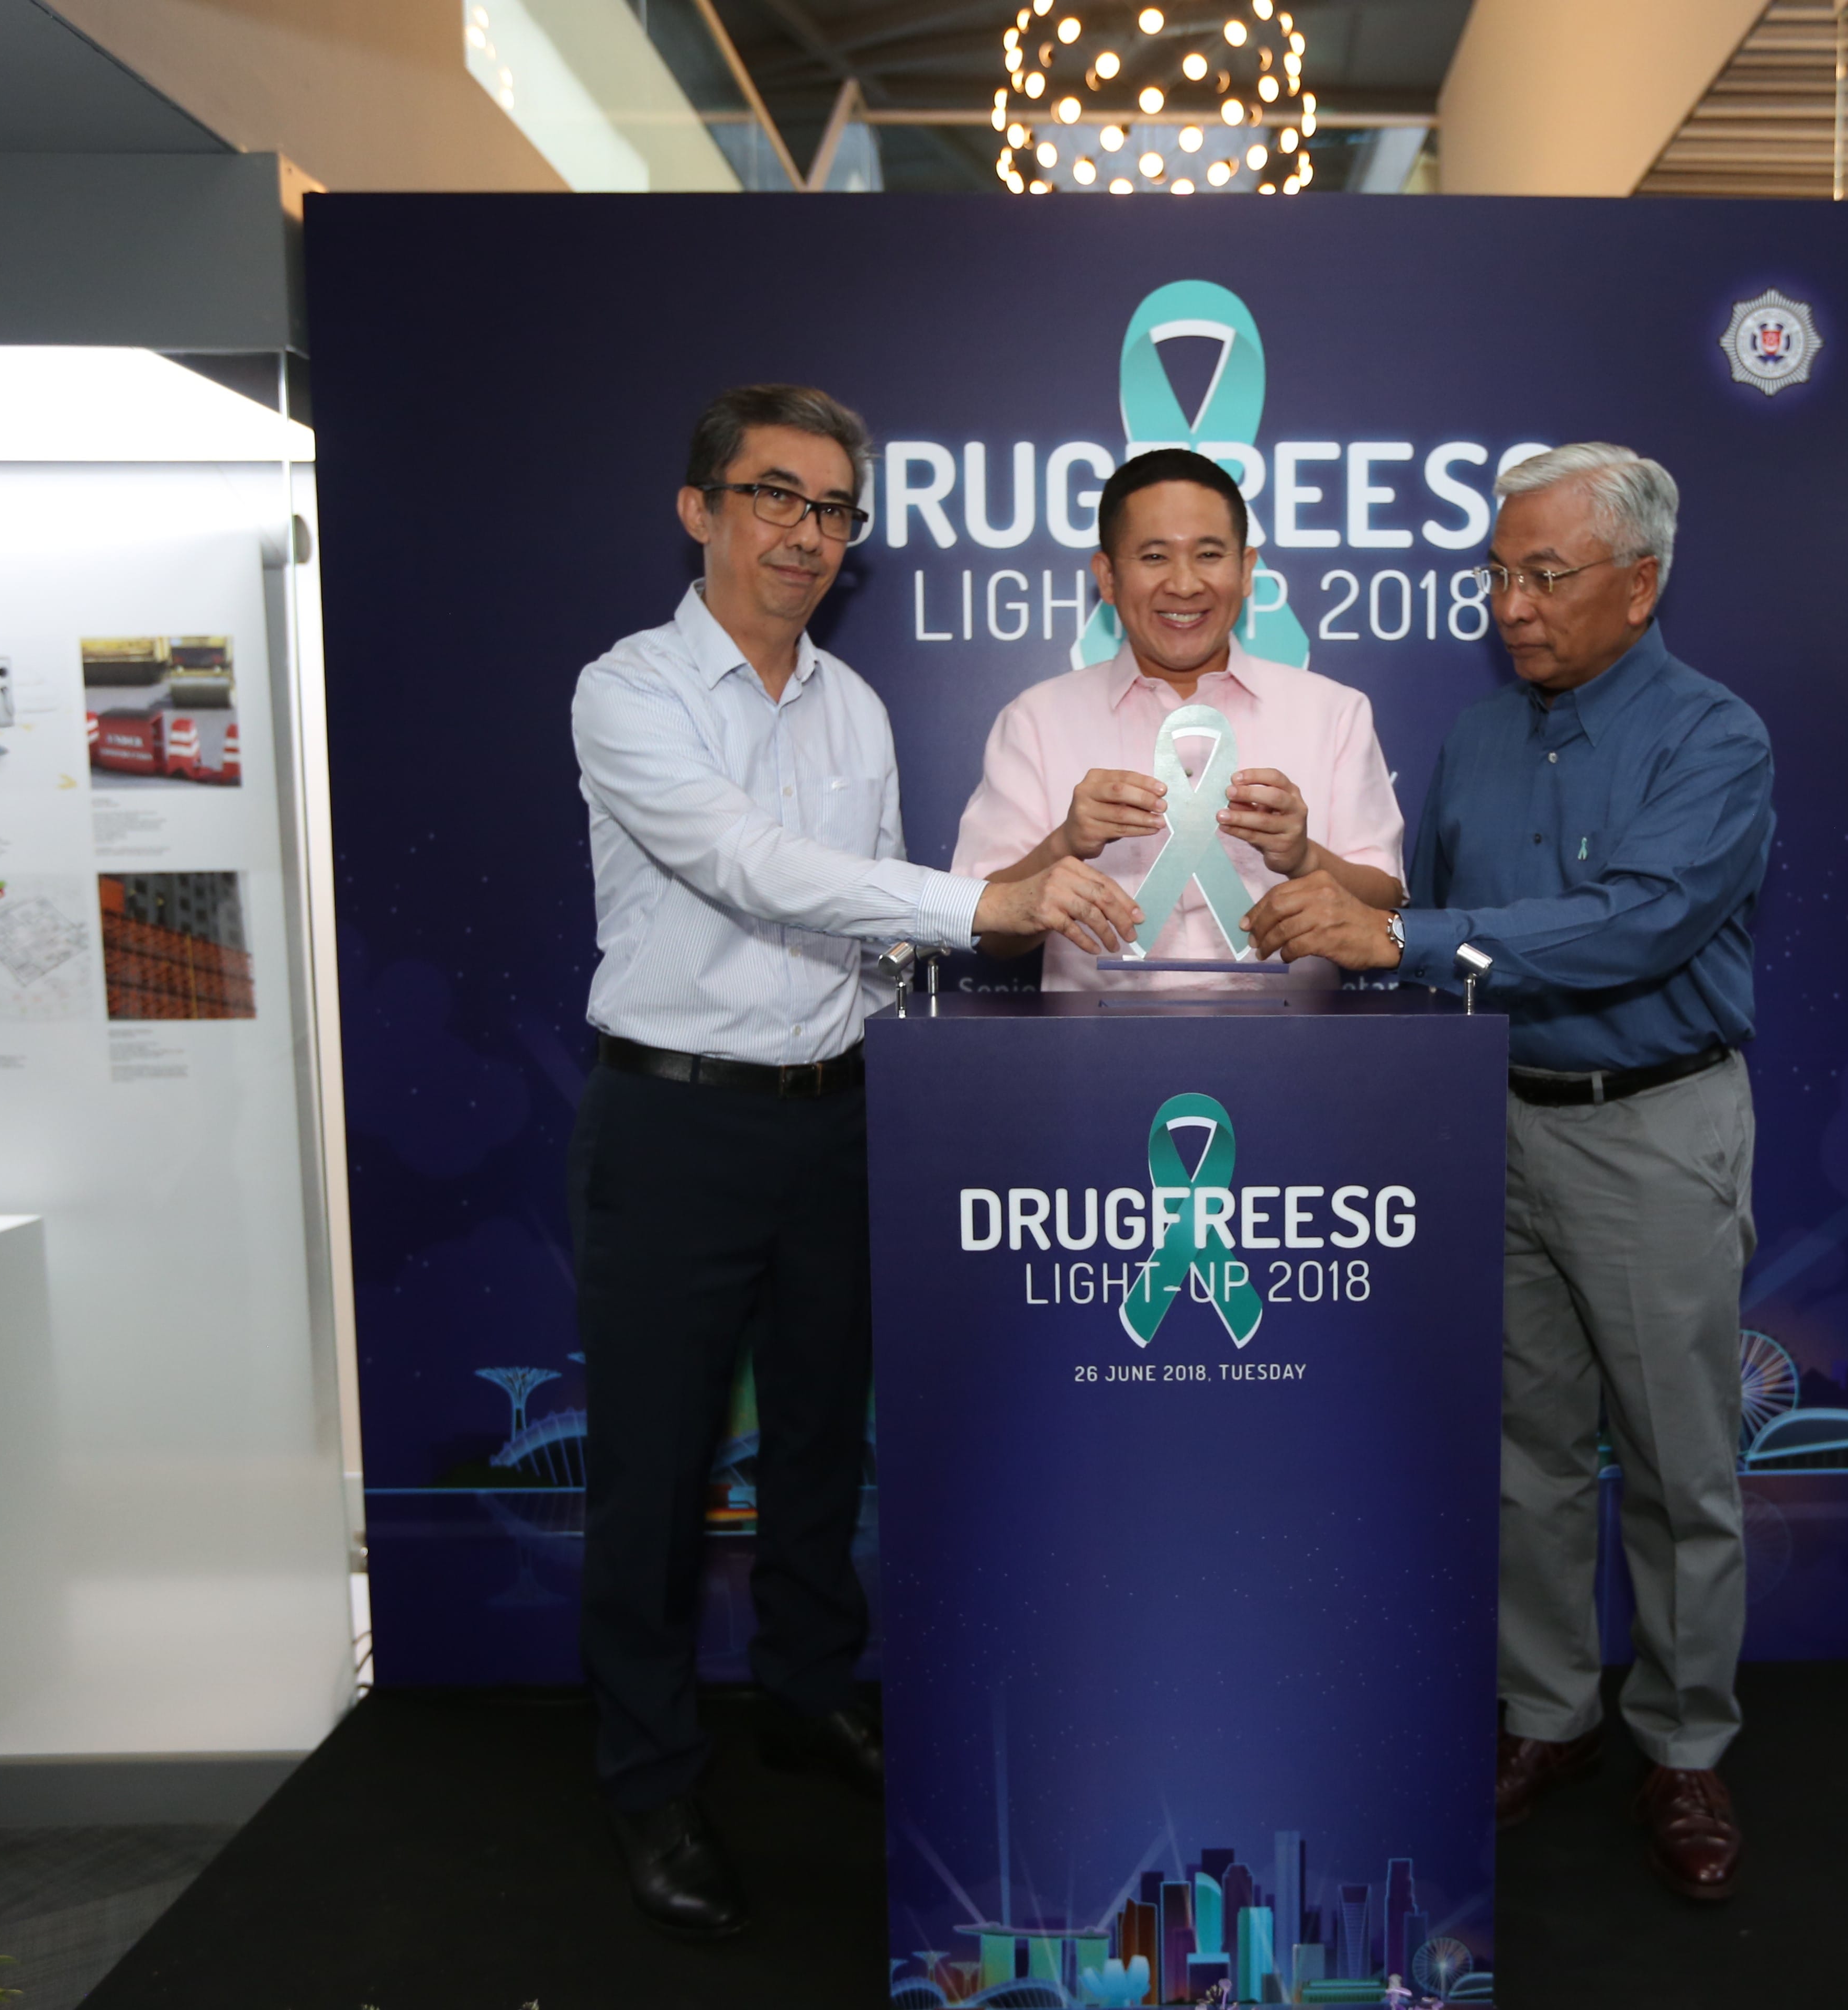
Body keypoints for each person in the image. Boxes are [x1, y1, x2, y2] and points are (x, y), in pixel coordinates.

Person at [567, 384, 1139, 1940]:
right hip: (678, 1120)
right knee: (657, 1469)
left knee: (825, 1435)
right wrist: (999, 906)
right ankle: (647, 1769)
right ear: (701, 508)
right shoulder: (630, 693)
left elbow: (875, 930)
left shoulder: (857, 705)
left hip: (839, 1115)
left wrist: (937, 1018)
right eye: (772, 495)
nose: (804, 534)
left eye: (831, 509)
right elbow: (754, 868)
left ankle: (806, 1693)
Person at [1245, 442, 1773, 1904]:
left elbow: (1632, 927)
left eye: (1545, 574)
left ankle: (1684, 1745)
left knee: (1677, 1467)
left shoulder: (1712, 739)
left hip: (1654, 1126)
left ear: (1640, 583)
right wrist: (1328, 870)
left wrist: (1395, 943)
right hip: (1501, 1118)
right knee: (1528, 1457)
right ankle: (1553, 1717)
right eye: (1497, 572)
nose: (1513, 604)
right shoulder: (1479, 739)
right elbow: (1435, 905)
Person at [950, 447, 1404, 990]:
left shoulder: (1334, 713)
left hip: (1293, 1053)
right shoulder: (1035, 721)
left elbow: (1387, 909)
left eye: (1210, 554)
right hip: (1095, 1054)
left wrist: (1304, 855)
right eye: (1154, 557)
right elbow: (981, 927)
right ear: (1108, 576)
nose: (1185, 585)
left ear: (1246, 569)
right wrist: (1063, 842)